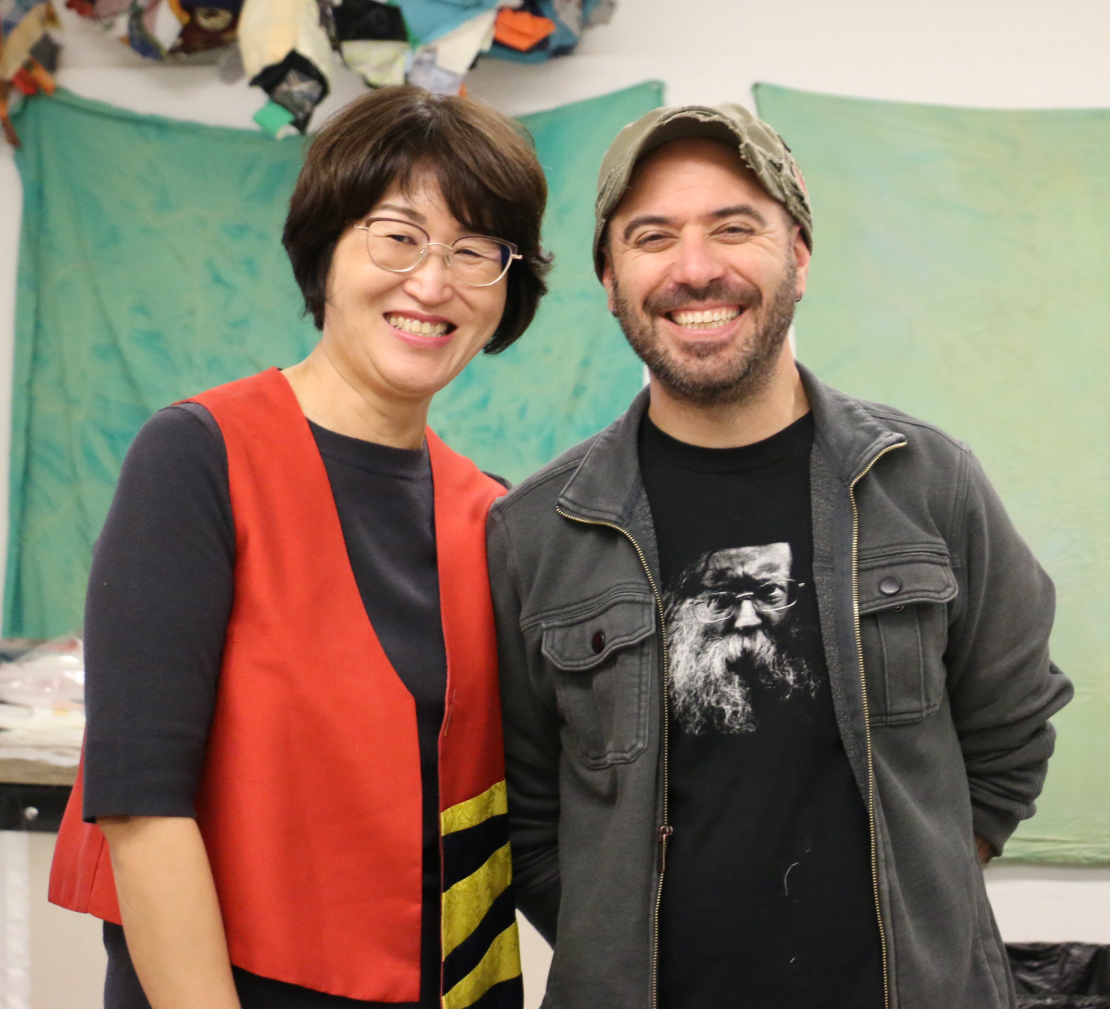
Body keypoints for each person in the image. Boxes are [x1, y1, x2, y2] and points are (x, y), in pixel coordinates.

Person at [487, 103, 1073, 1009]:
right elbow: (528, 818)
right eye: (652, 236)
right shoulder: (535, 532)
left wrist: (923, 896)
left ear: (798, 254)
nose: (695, 268)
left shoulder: (927, 483)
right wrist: (623, 939)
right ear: (609, 277)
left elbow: (1013, 728)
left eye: (734, 227)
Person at [49, 85, 550, 1009]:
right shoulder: (201, 456)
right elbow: (140, 804)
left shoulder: (494, 516)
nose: (433, 283)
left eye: (475, 251)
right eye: (398, 235)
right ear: (327, 243)